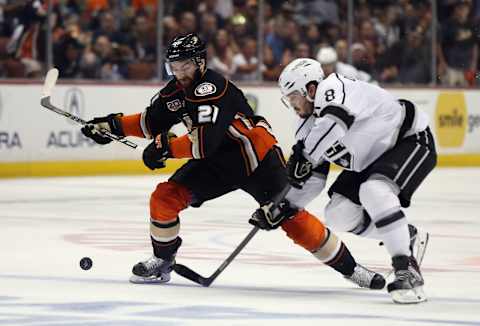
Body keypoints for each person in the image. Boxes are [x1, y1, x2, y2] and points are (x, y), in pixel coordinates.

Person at [80, 33, 385, 290]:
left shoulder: (213, 89)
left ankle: (351, 269)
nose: (178, 72)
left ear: (200, 63)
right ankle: (162, 261)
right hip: (215, 164)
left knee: (290, 216)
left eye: (184, 65)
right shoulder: (176, 90)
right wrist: (109, 126)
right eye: (173, 66)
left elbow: (203, 142)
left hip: (256, 159)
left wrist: (165, 148)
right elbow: (149, 122)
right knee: (164, 198)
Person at [277, 58, 436, 304]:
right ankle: (407, 235)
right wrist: (283, 205)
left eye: (293, 96)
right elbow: (313, 181)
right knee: (339, 214)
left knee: (374, 190)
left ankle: (406, 270)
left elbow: (334, 124)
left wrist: (305, 155)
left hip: (409, 139)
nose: (292, 104)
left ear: (310, 89)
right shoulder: (307, 127)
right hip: (372, 158)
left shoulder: (335, 87)